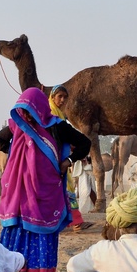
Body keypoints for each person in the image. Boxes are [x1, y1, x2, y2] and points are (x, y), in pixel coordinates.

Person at [0, 87, 91, 272]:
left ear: (40, 108)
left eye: (30, 111)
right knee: (22, 241)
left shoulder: (57, 126)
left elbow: (85, 143)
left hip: (46, 193)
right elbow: (0, 140)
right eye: (24, 111)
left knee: (40, 237)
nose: (27, 116)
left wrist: (68, 161)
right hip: (20, 196)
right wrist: (16, 157)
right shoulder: (17, 124)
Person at [48, 85, 92, 233]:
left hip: (59, 160)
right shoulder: (50, 116)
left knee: (65, 189)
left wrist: (70, 153)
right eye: (59, 96)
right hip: (51, 161)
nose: (62, 100)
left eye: (65, 97)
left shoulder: (60, 117)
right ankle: (75, 222)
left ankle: (73, 222)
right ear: (52, 97)